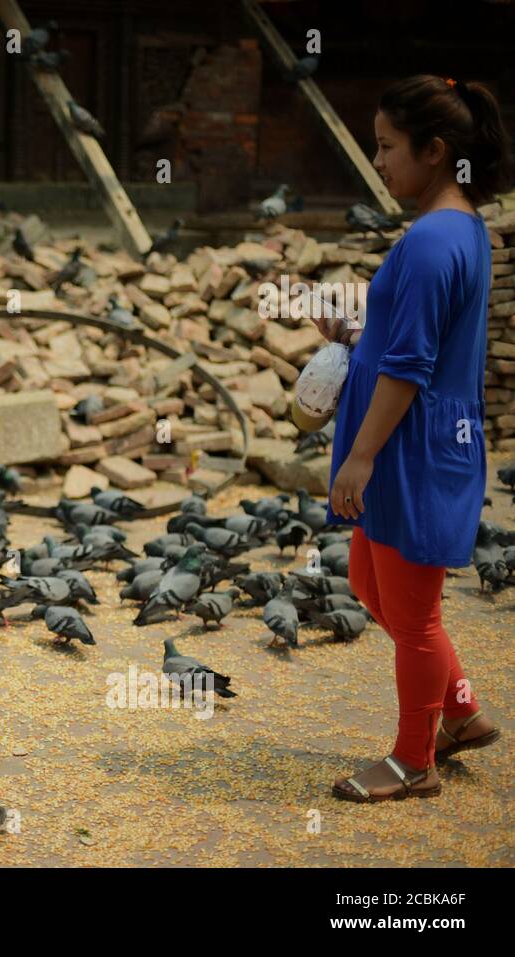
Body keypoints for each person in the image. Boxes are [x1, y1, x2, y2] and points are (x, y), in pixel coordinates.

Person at [322, 75, 513, 802]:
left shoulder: (436, 240)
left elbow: (410, 364)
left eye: (387, 146)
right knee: (371, 583)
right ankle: (459, 710)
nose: (378, 161)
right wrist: (350, 334)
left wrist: (361, 455)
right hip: (414, 438)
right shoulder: (453, 228)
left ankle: (413, 760)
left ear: (435, 152)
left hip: (412, 447)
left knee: (415, 615)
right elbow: (405, 339)